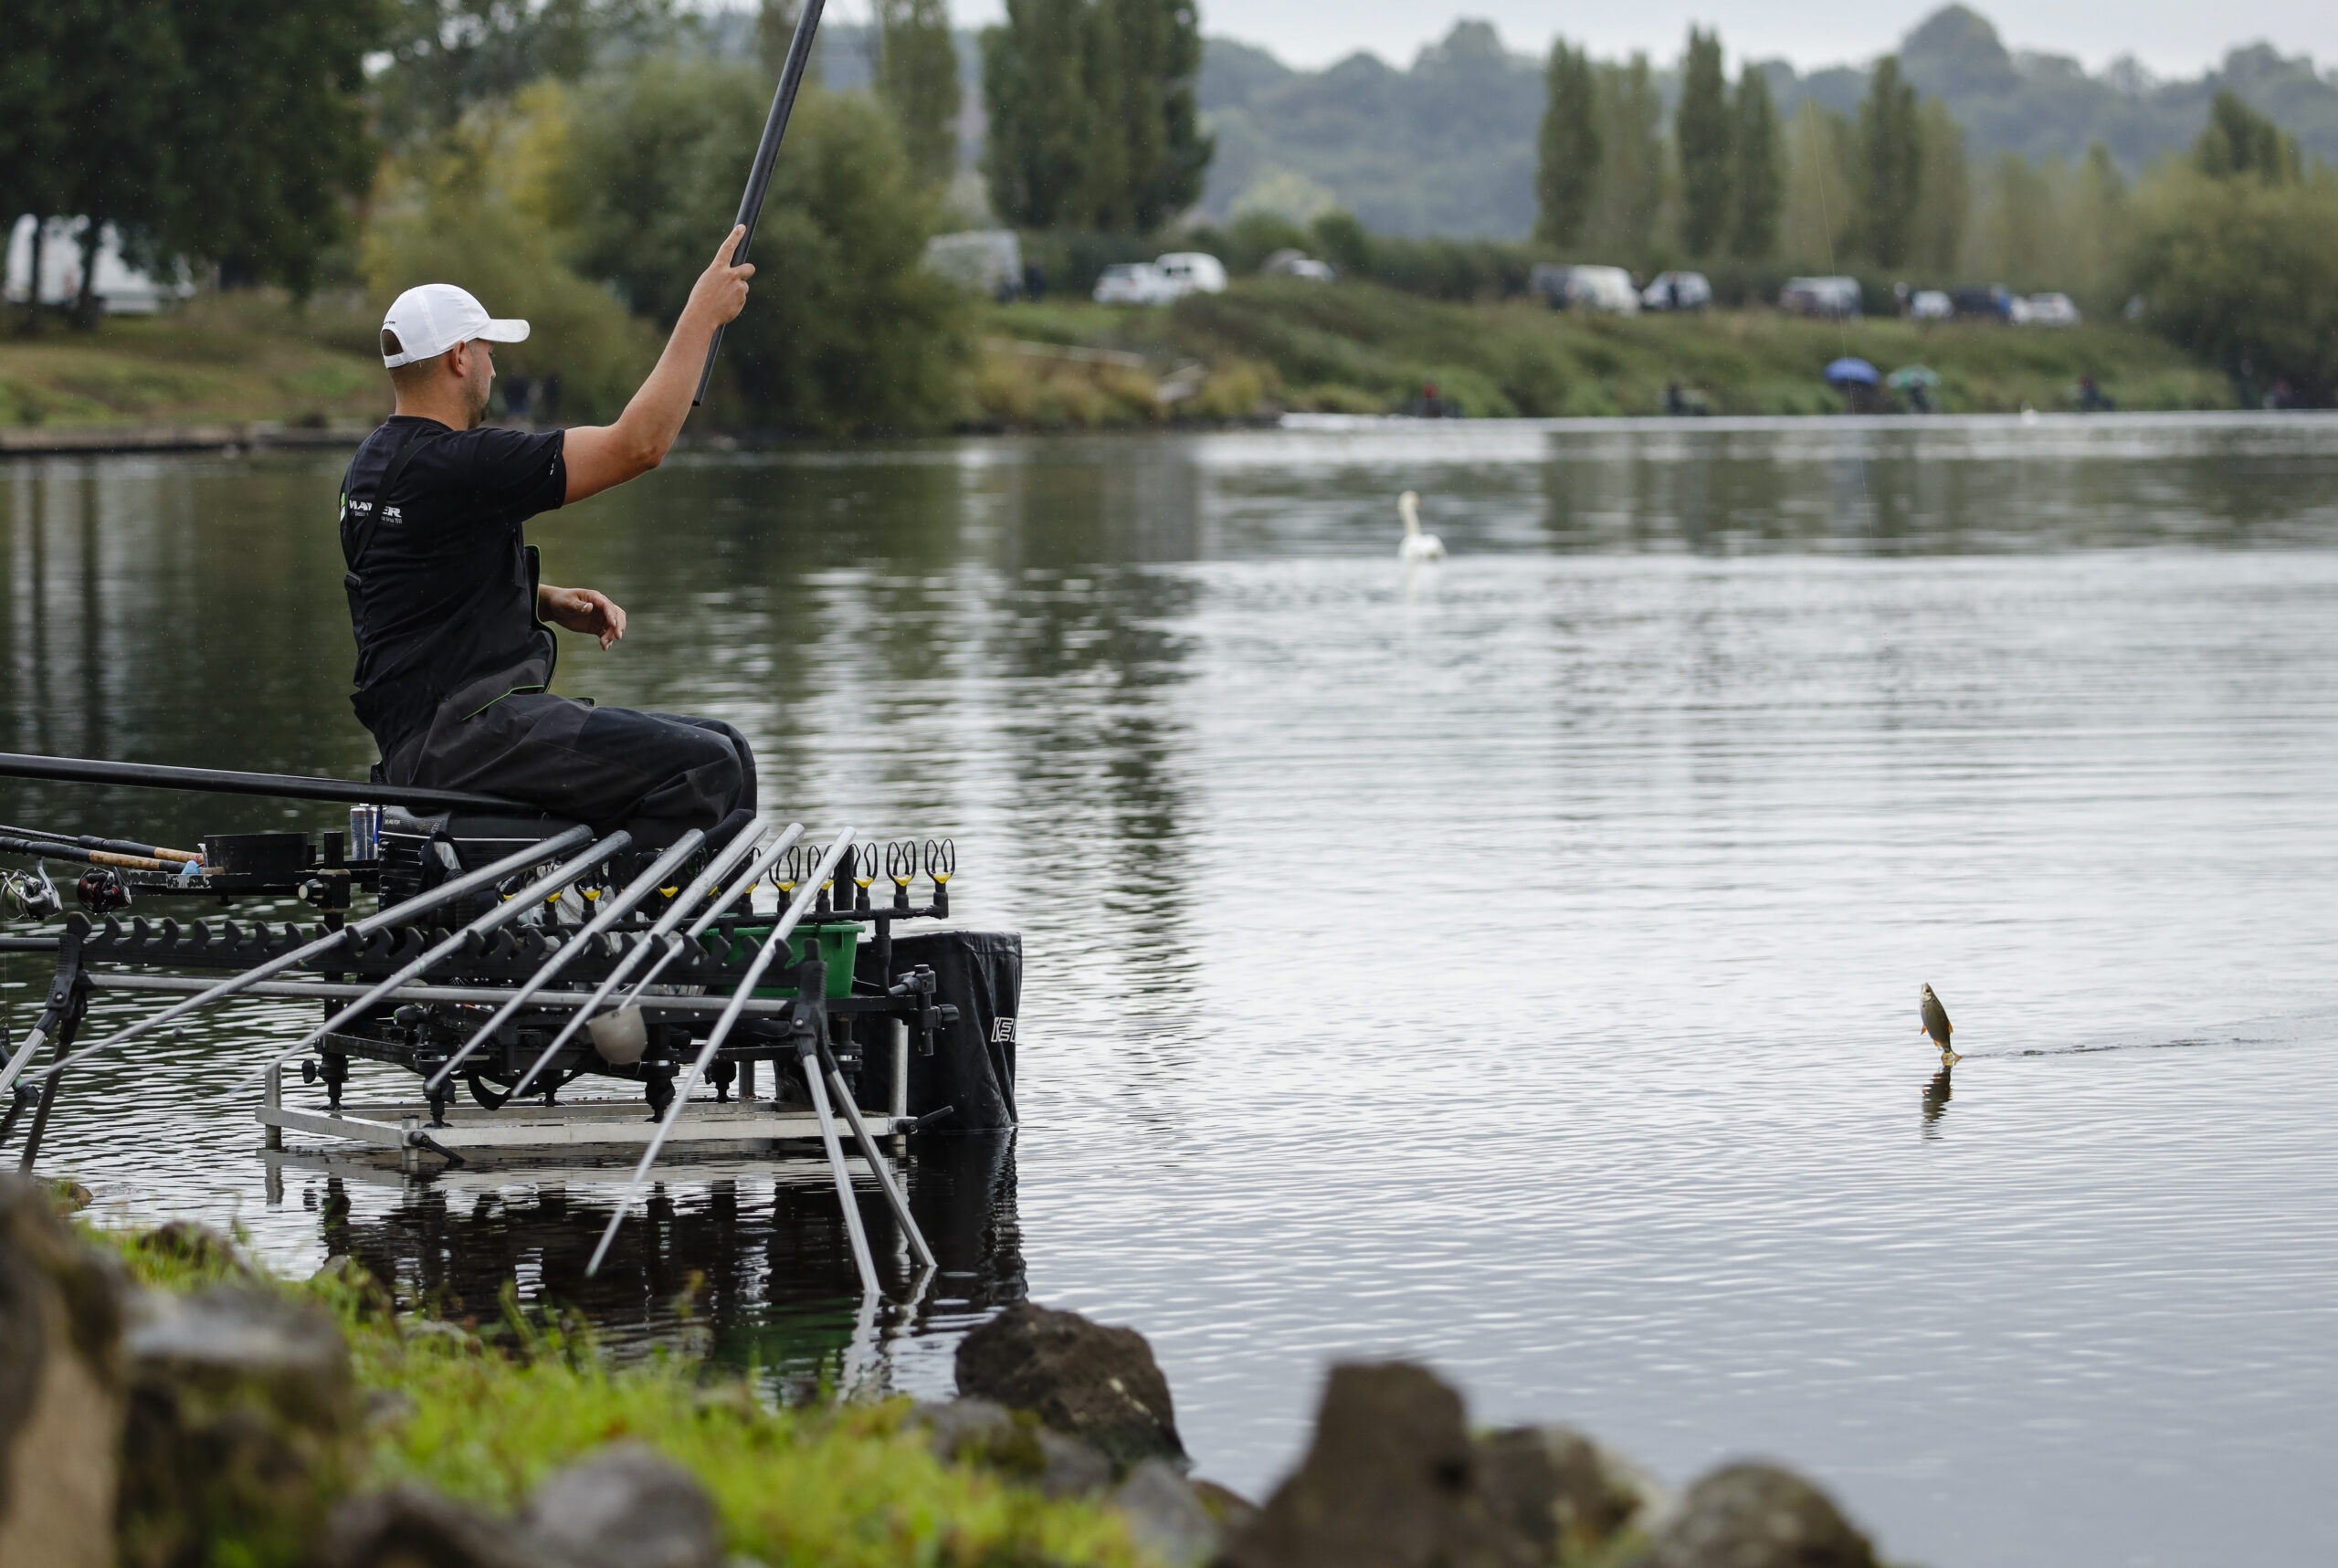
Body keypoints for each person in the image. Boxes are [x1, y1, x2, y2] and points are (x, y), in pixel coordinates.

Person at [339, 226, 760, 839]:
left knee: (726, 745)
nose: (493, 364)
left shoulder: (371, 465)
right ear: (460, 358)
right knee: (709, 766)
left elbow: (411, 583)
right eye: (487, 350)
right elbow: (636, 446)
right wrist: (701, 317)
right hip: (468, 735)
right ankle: (645, 927)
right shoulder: (464, 463)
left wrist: (546, 600)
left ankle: (650, 909)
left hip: (427, 736)